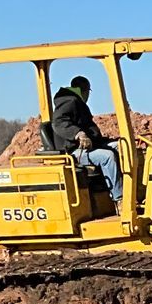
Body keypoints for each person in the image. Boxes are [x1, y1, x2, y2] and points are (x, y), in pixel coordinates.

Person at [50, 75, 123, 206]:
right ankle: (120, 199)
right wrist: (78, 134)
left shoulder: (76, 102)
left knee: (121, 147)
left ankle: (133, 190)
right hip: (73, 151)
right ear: (84, 91)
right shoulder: (69, 101)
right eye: (88, 92)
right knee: (107, 157)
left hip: (87, 146)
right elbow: (58, 122)